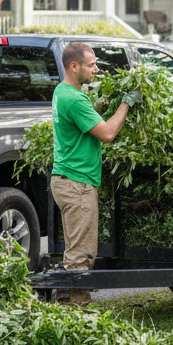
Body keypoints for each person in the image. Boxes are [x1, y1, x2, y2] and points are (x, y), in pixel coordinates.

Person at [51, 42, 141, 306]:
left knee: (75, 250)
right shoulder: (73, 99)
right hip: (77, 184)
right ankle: (76, 311)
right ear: (74, 66)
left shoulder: (62, 90)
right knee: (82, 254)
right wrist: (126, 102)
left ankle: (70, 304)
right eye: (91, 65)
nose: (96, 69)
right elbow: (108, 133)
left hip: (68, 180)